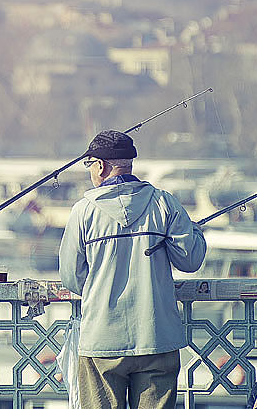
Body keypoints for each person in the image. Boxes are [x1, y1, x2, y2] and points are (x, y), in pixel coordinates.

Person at [58, 130, 207, 409]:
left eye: (89, 165)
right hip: (157, 337)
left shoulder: (83, 211)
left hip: (101, 340)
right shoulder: (164, 203)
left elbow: (71, 277)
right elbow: (190, 260)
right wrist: (194, 230)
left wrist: (100, 289)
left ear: (100, 166)